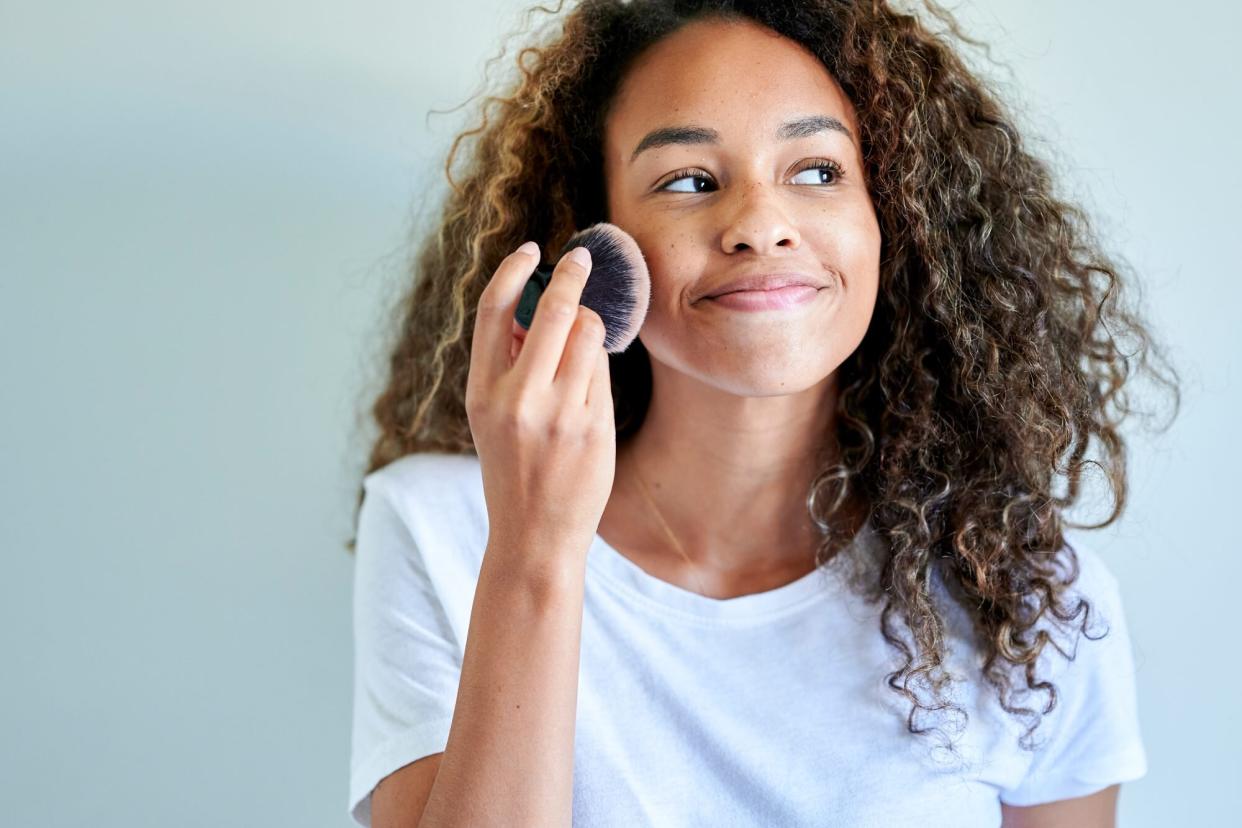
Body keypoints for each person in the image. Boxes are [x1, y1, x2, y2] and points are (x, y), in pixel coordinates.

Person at [346, 1, 1181, 826]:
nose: (759, 225)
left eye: (817, 170)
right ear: (593, 250)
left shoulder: (1025, 598)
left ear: (895, 219)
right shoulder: (441, 525)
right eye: (688, 180)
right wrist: (537, 547)